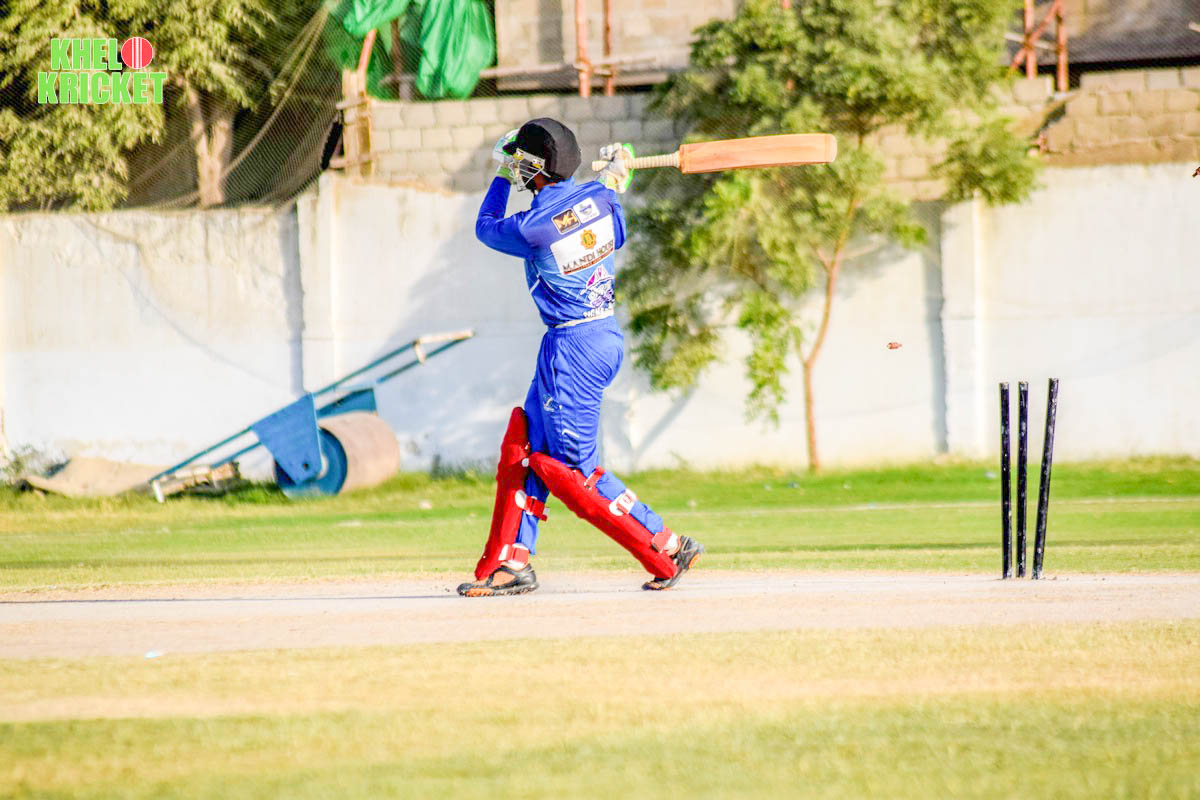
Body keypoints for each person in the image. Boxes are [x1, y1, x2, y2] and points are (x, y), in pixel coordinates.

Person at [456, 118, 704, 597]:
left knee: (575, 472)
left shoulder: (533, 228)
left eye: (520, 163)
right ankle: (511, 563)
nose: (516, 169)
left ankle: (667, 546)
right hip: (601, 336)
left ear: (534, 168)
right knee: (527, 447)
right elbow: (612, 219)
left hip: (572, 348)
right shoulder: (602, 200)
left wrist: (502, 175)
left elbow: (486, 228)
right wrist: (615, 176)